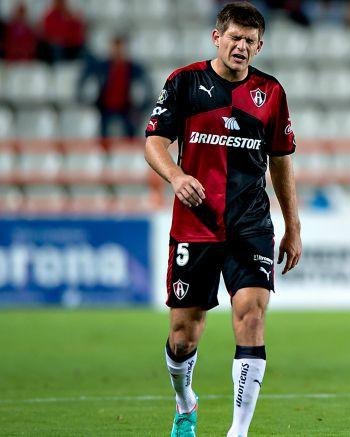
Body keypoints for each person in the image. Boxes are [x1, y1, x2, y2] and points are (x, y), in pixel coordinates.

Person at [143, 2, 302, 436]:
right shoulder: (185, 82)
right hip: (195, 224)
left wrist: (293, 225)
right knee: (183, 336)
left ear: (259, 46)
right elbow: (154, 141)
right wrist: (175, 176)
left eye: (250, 41)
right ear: (217, 37)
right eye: (234, 37)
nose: (241, 46)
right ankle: (185, 402)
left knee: (251, 313)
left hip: (250, 224)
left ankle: (238, 431)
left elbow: (281, 160)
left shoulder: (270, 93)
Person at [78, 36, 153, 138]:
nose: (117, 51)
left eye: (120, 48)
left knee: (130, 133)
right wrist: (86, 100)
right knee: (102, 134)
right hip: (104, 108)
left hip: (126, 108)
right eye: (115, 47)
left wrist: (141, 107)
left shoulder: (133, 68)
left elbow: (147, 86)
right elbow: (84, 79)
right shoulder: (102, 66)